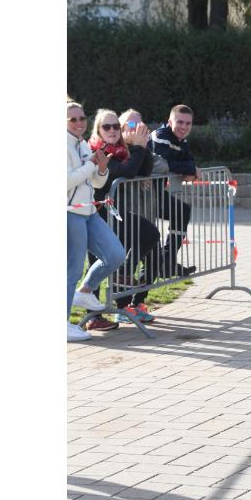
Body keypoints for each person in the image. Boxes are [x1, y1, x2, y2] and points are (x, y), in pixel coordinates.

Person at [86, 108, 161, 329]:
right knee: (94, 260)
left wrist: (142, 146)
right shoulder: (99, 151)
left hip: (111, 212)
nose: (112, 130)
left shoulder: (120, 150)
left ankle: (123, 274)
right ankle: (93, 316)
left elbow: (144, 169)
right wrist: (137, 148)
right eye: (106, 127)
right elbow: (126, 171)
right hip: (94, 212)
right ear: (98, 130)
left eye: (115, 126)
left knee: (149, 233)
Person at [67, 99, 126, 342]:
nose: (79, 122)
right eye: (73, 119)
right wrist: (91, 164)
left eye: (82, 118)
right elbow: (67, 181)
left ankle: (85, 290)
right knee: (71, 269)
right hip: (69, 212)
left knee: (116, 254)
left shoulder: (81, 144)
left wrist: (101, 169)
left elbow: (96, 182)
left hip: (89, 211)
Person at [150, 104, 199, 276]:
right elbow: (165, 164)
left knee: (182, 211)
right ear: (170, 122)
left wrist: (190, 169)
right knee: (146, 233)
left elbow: (190, 161)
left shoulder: (181, 140)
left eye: (188, 123)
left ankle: (168, 262)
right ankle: (150, 271)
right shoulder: (161, 136)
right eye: (180, 122)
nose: (184, 127)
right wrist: (190, 169)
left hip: (156, 192)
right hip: (141, 194)